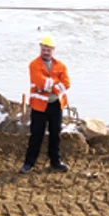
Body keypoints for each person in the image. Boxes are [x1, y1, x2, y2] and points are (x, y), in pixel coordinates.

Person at [19, 35, 71, 173]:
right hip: (39, 106)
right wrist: (55, 84)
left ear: (53, 50)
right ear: (40, 49)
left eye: (48, 49)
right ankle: (29, 163)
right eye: (43, 49)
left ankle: (56, 162)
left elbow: (66, 84)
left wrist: (50, 85)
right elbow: (41, 82)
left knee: (56, 134)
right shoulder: (34, 65)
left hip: (56, 104)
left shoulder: (61, 65)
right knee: (36, 135)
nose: (45, 52)